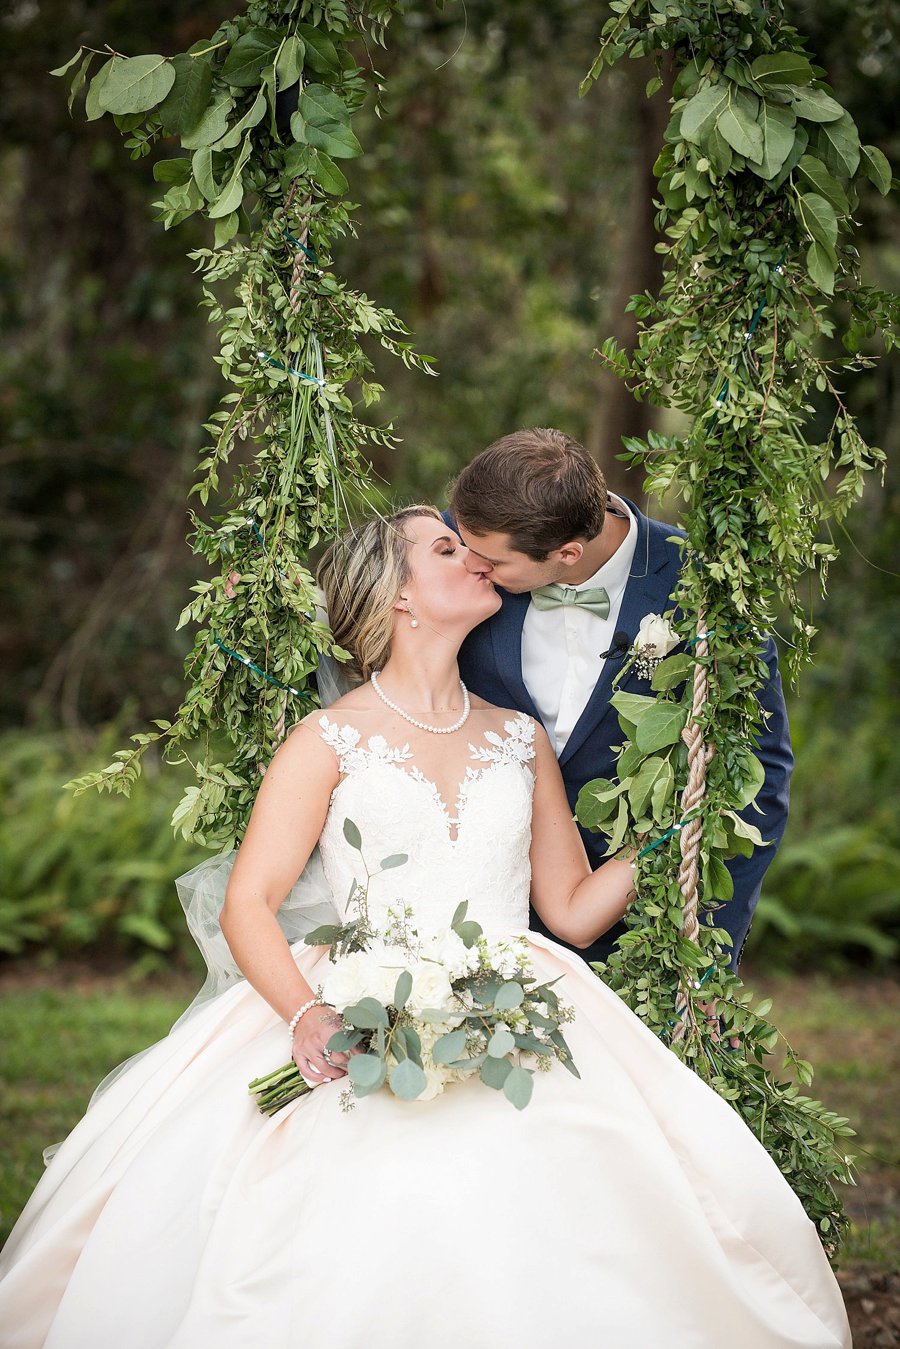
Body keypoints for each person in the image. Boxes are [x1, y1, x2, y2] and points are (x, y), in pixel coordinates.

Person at [0, 507, 848, 1348]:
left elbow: (573, 909)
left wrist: (676, 815)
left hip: (523, 1001)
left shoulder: (519, 740)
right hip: (357, 997)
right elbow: (247, 902)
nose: (475, 556)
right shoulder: (327, 739)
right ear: (398, 595)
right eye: (447, 548)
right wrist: (307, 1013)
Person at [447, 427, 793, 971]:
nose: (470, 566)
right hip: (471, 904)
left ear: (567, 552)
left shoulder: (706, 586)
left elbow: (756, 775)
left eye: (492, 563)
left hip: (633, 922)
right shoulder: (467, 543)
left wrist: (704, 951)